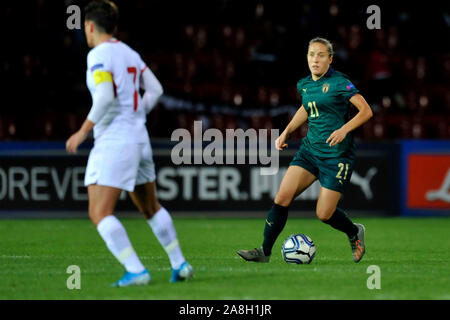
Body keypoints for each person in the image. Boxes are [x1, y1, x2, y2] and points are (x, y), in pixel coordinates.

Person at [66, 0, 193, 286]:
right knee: (151, 208)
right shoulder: (130, 53)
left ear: (89, 26)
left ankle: (136, 271)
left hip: (115, 140)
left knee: (99, 212)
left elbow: (105, 96)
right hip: (139, 138)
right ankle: (180, 264)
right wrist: (135, 113)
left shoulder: (98, 54)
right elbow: (156, 89)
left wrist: (84, 130)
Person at [237, 37, 373, 263]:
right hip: (310, 152)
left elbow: (366, 111)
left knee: (324, 214)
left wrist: (344, 130)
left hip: (336, 156)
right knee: (282, 197)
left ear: (330, 59)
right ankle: (264, 252)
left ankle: (353, 231)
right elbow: (306, 108)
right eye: (311, 55)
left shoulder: (340, 82)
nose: (315, 59)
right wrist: (286, 132)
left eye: (321, 55)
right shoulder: (305, 84)